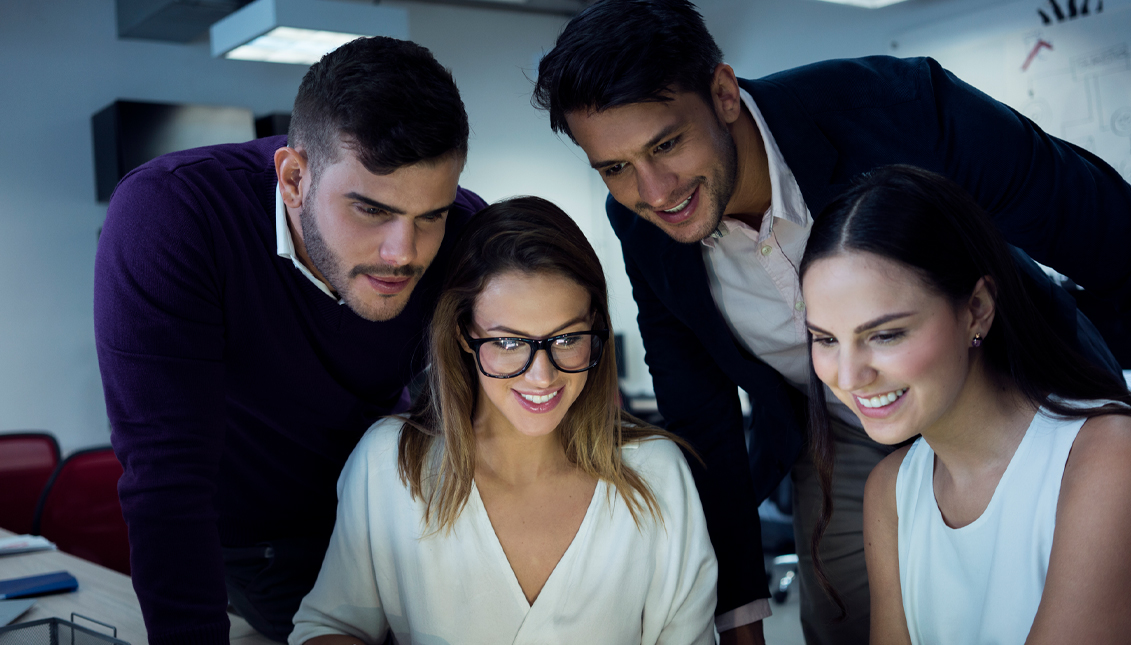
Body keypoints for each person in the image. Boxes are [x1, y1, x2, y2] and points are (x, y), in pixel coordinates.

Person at [530, 0, 1131, 642]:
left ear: (724, 94)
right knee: (843, 619)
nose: (653, 191)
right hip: (835, 433)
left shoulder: (897, 110)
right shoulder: (639, 225)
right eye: (615, 168)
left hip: (1005, 394)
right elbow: (701, 415)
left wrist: (1067, 396)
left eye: (667, 143)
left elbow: (1108, 234)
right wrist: (740, 618)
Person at [93, 37, 485, 644]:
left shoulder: (463, 230)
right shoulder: (172, 214)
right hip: (258, 538)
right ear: (295, 177)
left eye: (429, 214)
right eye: (371, 210)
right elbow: (166, 477)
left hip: (384, 513)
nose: (403, 253)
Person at [288, 196, 718, 645]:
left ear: (597, 329)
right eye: (510, 343)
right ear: (463, 334)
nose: (542, 376)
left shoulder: (656, 473)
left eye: (568, 337)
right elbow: (331, 627)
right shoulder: (389, 465)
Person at [799, 165, 1131, 644]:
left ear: (977, 308)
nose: (848, 377)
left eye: (886, 334)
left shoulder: (1105, 459)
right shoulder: (890, 489)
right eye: (825, 339)